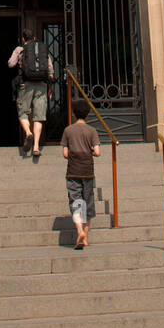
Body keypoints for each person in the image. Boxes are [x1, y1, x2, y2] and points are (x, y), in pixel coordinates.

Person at [61, 99, 100, 249]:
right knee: (88, 202)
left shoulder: (68, 131)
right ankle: (85, 236)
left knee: (76, 200)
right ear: (88, 114)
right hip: (88, 171)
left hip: (73, 171)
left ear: (73, 113)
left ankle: (79, 230)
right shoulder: (92, 131)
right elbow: (97, 152)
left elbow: (65, 153)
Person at [7, 29, 53, 156]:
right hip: (42, 86)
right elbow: (50, 68)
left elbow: (11, 64)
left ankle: (28, 133)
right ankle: (36, 147)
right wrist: (51, 87)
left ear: (23, 39)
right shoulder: (42, 49)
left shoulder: (20, 49)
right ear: (34, 38)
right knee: (39, 116)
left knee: (23, 112)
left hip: (25, 84)